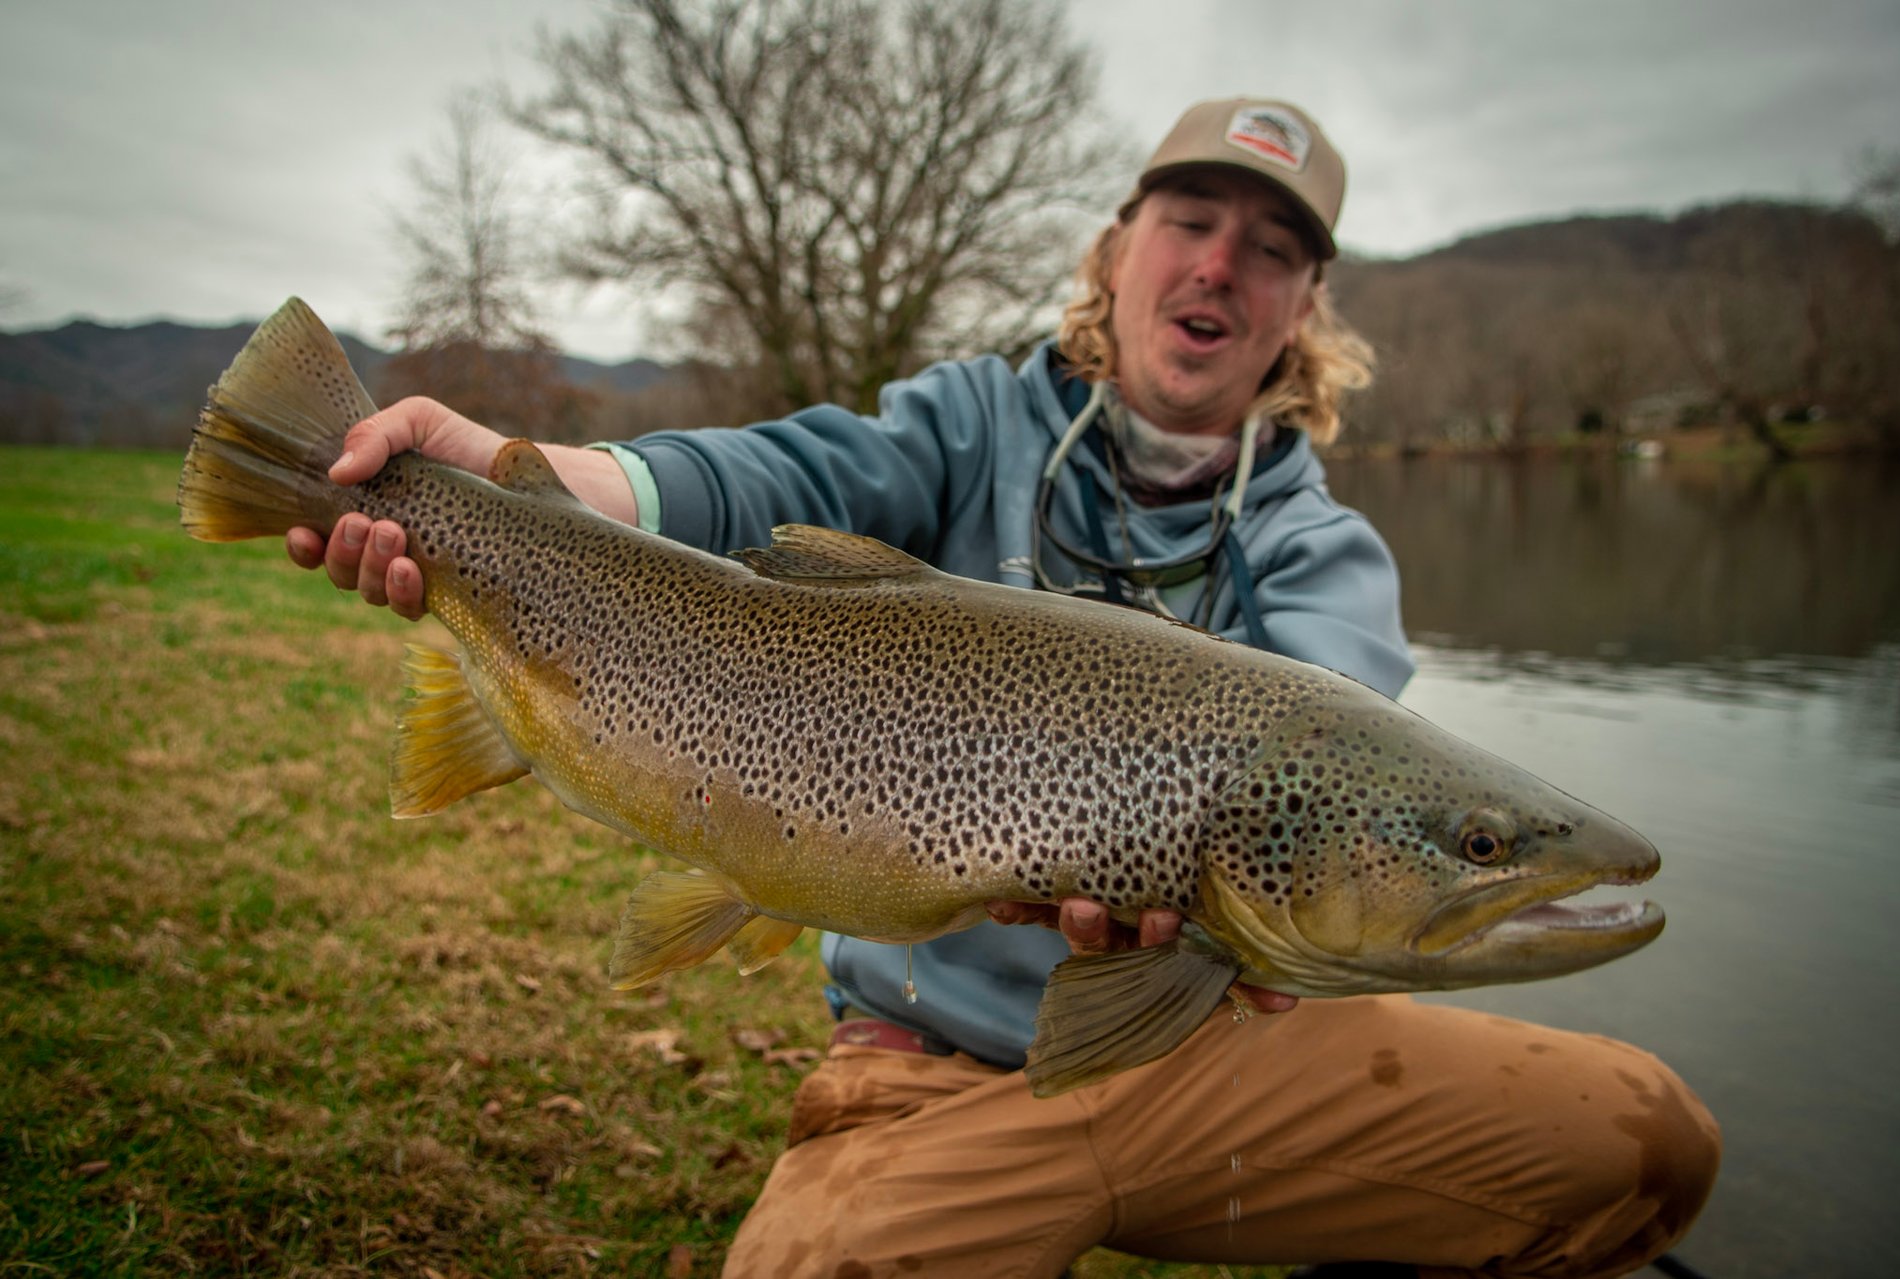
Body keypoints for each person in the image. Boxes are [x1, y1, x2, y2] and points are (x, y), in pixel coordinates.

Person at [291, 98, 1719, 1278]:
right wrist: (540, 489)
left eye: (1273, 247)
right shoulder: (966, 423)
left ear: (1307, 307)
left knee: (1639, 1145)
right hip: (932, 1055)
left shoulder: (1322, 549)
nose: (1223, 264)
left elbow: (1327, 744)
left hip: (1230, 1057)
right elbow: (777, 480)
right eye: (1192, 222)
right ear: (1119, 250)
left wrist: (1309, 867)